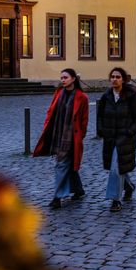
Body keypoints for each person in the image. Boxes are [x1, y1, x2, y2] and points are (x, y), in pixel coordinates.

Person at [33, 68, 89, 209]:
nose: (63, 80)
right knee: (68, 165)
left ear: (73, 79)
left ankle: (57, 197)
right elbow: (51, 111)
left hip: (71, 137)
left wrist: (79, 136)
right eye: (62, 77)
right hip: (58, 134)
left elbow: (84, 120)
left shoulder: (82, 97)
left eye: (66, 77)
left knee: (61, 165)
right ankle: (79, 189)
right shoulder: (58, 93)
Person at [97, 67, 136, 212]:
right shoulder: (106, 97)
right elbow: (100, 116)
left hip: (125, 139)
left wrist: (130, 131)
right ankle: (129, 187)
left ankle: (115, 200)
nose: (114, 79)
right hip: (110, 138)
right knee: (118, 168)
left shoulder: (131, 97)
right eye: (112, 77)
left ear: (123, 79)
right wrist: (101, 131)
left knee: (116, 169)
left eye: (117, 77)